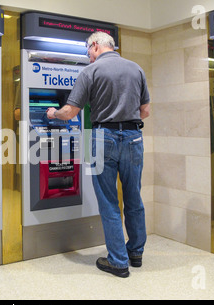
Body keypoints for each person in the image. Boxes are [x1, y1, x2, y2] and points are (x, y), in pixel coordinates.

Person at [47, 31, 150, 278]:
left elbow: (70, 112)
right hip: (135, 137)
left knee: (108, 200)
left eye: (88, 52)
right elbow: (145, 111)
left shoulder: (90, 72)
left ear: (95, 46)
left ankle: (117, 261)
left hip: (104, 138)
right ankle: (135, 253)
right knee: (134, 197)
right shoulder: (136, 69)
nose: (89, 57)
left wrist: (52, 114)